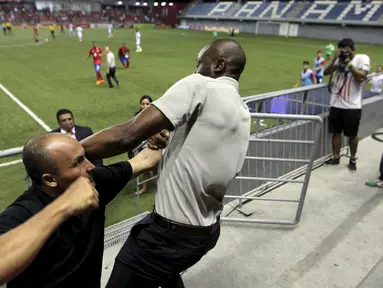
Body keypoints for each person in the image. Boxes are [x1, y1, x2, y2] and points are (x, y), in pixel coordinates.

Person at [81, 38, 250, 288]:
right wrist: (171, 139)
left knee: (137, 271)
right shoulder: (243, 110)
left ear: (218, 64)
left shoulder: (201, 85)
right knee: (165, 271)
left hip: (170, 235)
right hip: (206, 230)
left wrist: (68, 152)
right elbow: (204, 151)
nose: (194, 70)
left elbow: (125, 136)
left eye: (198, 63)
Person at [0, 133, 162, 287]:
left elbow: (144, 161)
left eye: (85, 157)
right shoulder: (23, 211)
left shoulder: (91, 181)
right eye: (78, 163)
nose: (91, 166)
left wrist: (158, 140)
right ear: (50, 180)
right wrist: (64, 206)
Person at [323, 38, 370, 172]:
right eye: (342, 48)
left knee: (352, 134)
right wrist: (333, 60)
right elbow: (325, 72)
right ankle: (336, 157)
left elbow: (361, 76)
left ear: (353, 49)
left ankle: (353, 158)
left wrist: (350, 64)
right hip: (336, 104)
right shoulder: (339, 60)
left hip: (352, 106)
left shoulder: (362, 58)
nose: (344, 51)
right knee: (336, 133)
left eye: (346, 48)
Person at [128, 95, 153, 195]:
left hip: (151, 145)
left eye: (147, 104)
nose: (145, 106)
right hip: (140, 145)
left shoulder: (155, 116)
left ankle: (145, 186)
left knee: (150, 166)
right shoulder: (136, 116)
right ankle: (144, 187)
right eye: (143, 104)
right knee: (143, 167)